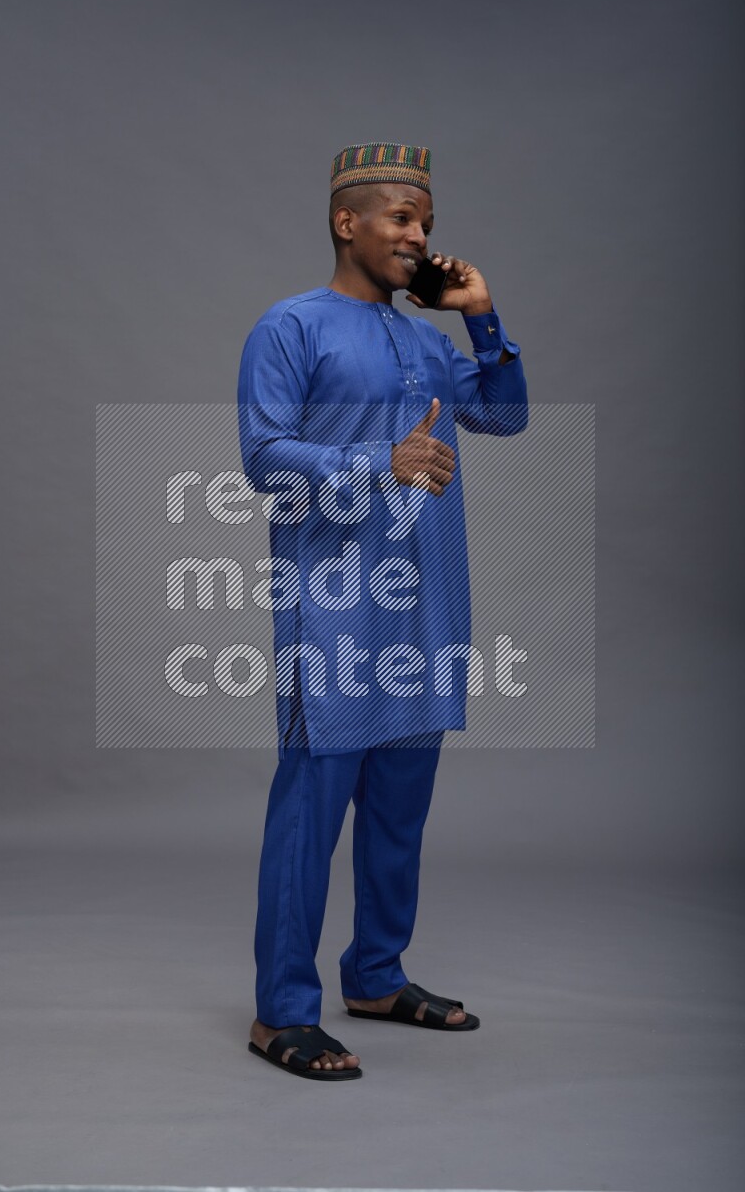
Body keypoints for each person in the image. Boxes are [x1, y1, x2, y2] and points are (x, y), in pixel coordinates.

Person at [237, 142, 528, 1080]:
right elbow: (265, 458)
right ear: (345, 221)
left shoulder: (426, 341)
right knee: (310, 818)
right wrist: (377, 464)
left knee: (399, 814)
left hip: (427, 607)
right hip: (335, 610)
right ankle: (282, 1010)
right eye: (401, 218)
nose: (418, 237)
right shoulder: (290, 327)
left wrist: (482, 323)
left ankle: (375, 973)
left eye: (426, 224)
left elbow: (505, 416)